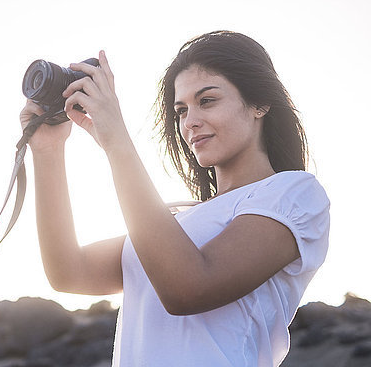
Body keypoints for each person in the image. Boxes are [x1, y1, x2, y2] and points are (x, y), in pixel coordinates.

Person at [19, 30, 330, 367]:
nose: (190, 122)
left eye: (207, 100)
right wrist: (48, 150)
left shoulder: (294, 194)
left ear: (260, 104)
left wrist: (116, 141)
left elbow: (188, 288)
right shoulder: (177, 220)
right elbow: (68, 271)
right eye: (181, 110)